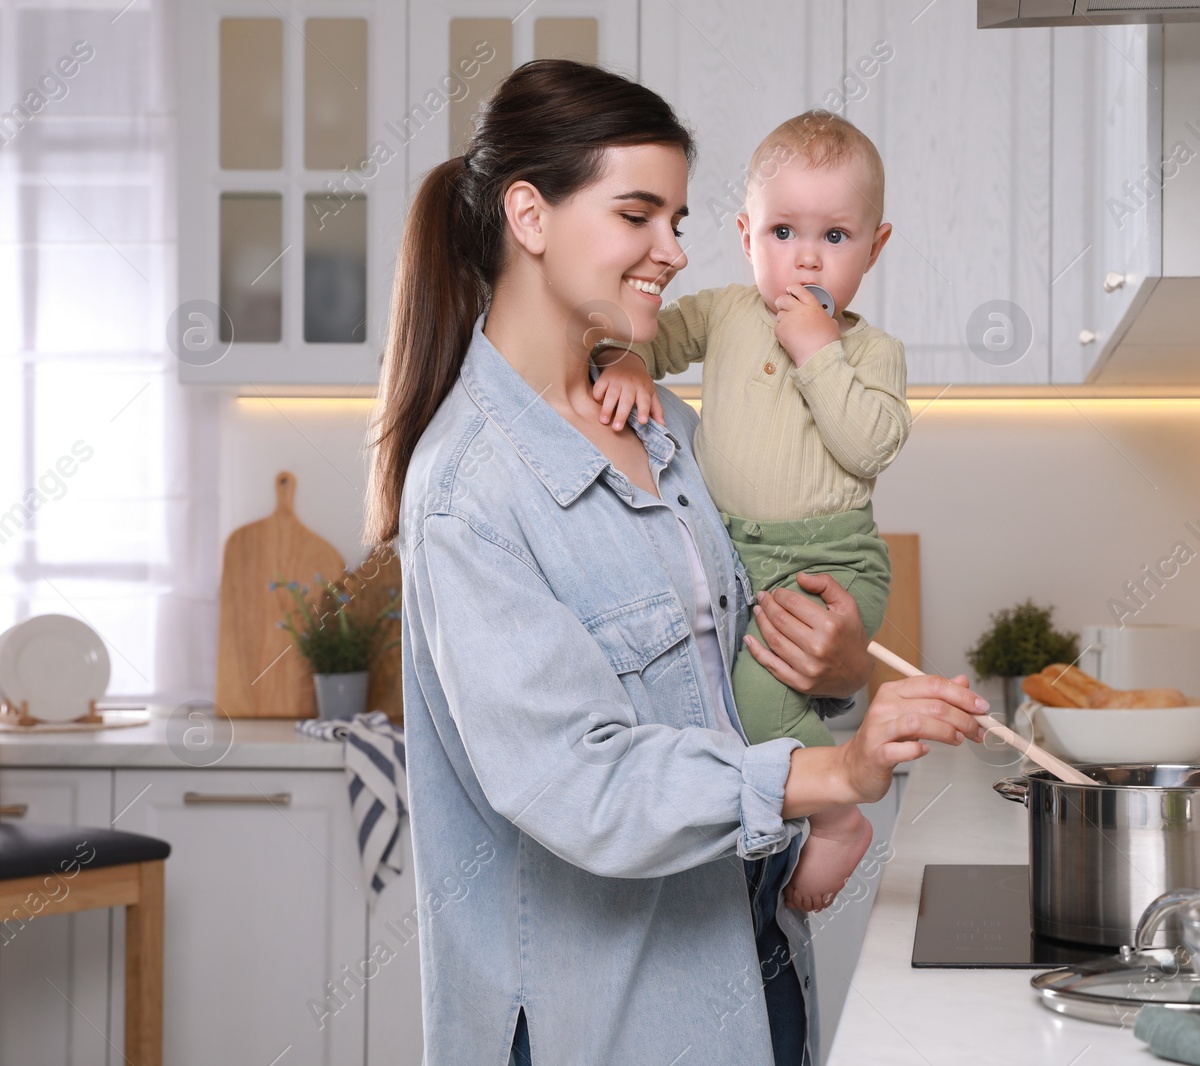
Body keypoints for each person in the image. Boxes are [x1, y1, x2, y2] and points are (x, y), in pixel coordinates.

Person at [363, 59, 987, 1066]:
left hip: (747, 962)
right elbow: (577, 778)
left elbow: (739, 686)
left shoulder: (674, 439)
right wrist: (836, 770)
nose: (673, 251)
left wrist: (835, 672)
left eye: (680, 220)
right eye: (638, 216)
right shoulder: (469, 490)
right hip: (601, 1023)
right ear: (530, 216)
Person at [588, 111, 905, 914]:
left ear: (876, 245)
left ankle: (836, 819)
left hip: (833, 560)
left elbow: (869, 447)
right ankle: (794, 827)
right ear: (745, 234)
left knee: (760, 696)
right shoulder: (725, 312)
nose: (806, 255)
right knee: (734, 705)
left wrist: (815, 349)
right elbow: (642, 337)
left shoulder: (870, 351)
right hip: (740, 558)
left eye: (835, 236)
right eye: (784, 231)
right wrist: (626, 361)